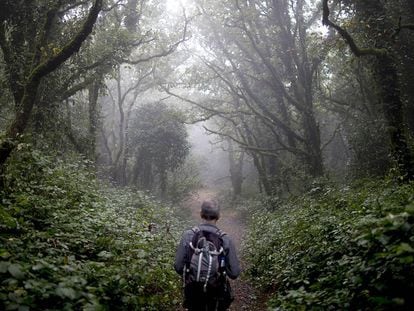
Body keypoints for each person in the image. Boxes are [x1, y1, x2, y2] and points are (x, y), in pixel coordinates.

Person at [174, 200, 241, 311]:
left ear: (201, 214)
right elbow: (234, 273)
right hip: (216, 292)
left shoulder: (188, 235)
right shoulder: (225, 239)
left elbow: (178, 266)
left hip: (193, 291)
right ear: (218, 216)